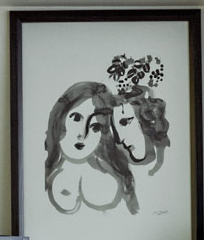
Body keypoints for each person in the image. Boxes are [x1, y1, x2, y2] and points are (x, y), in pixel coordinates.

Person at [44, 81, 138, 214]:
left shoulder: (117, 174)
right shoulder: (41, 168)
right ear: (59, 118)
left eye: (96, 126)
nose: (83, 135)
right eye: (76, 118)